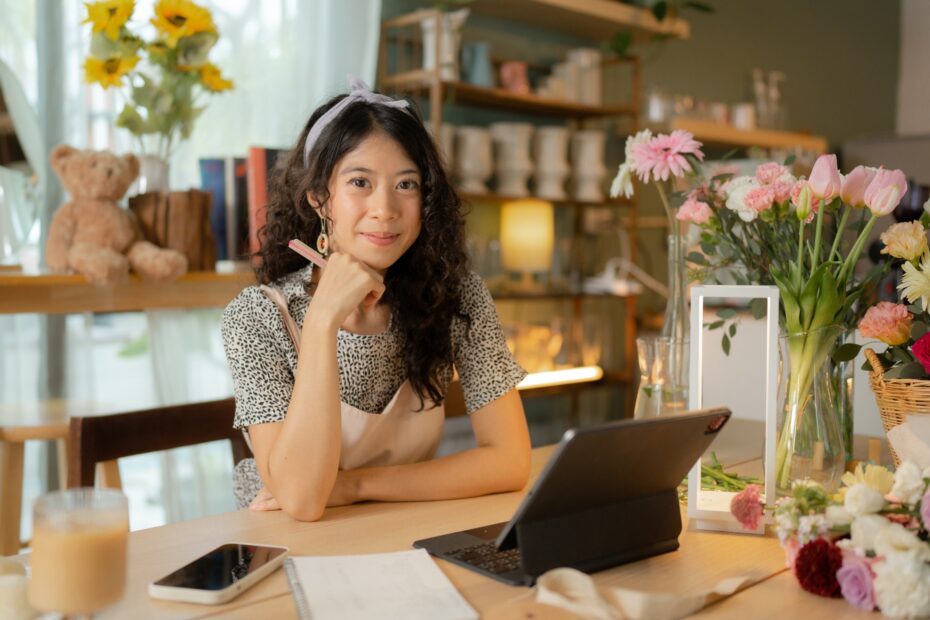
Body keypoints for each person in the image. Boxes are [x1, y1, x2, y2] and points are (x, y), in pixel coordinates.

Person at [221, 78, 531, 522]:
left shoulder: (456, 297)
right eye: (360, 182)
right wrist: (324, 318)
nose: (385, 208)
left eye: (406, 184)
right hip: (288, 551)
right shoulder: (255, 317)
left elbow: (509, 461)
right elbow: (304, 501)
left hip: (403, 531)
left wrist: (355, 486)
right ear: (318, 198)